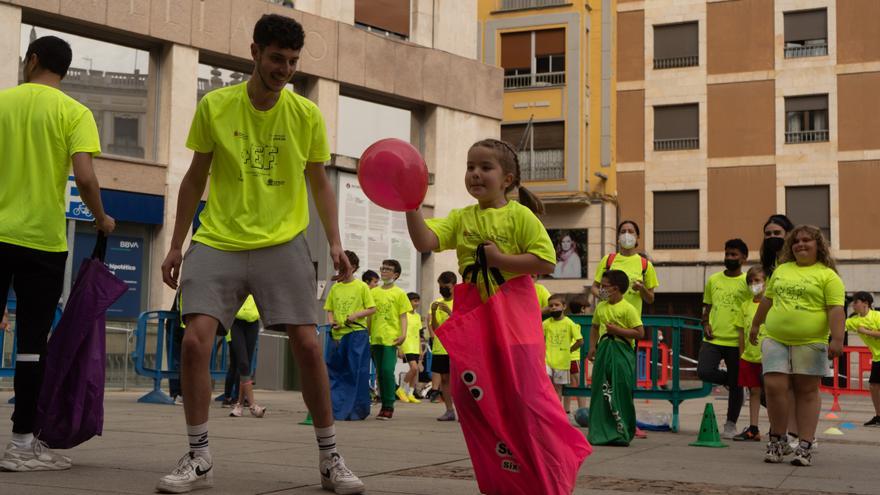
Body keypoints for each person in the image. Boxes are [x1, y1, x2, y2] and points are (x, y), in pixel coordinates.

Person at [156, 14, 363, 494]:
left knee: (310, 346)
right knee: (193, 342)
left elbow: (319, 184)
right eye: (276, 59)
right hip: (218, 238)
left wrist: (334, 240)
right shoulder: (215, 106)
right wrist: (175, 242)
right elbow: (194, 178)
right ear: (254, 52)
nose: (284, 69)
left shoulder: (306, 115)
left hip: (282, 241)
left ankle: (331, 459)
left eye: (292, 62)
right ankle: (199, 455)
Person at [406, 138, 587, 492]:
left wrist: (502, 260)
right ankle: (503, 474)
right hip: (475, 319)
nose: (475, 174)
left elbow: (545, 260)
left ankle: (552, 466)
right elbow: (425, 240)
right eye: (470, 167)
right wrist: (410, 204)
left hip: (514, 320)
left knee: (524, 400)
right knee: (469, 396)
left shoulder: (519, 215)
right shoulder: (462, 217)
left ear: (507, 178)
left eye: (485, 167)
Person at [0, 35, 115, 472]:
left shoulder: (2, 103)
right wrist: (101, 218)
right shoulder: (75, 113)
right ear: (64, 71)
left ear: (32, 61)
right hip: (42, 241)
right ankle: (21, 445)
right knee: (32, 345)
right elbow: (85, 177)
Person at [750, 225, 845, 467]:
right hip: (775, 337)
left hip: (811, 341)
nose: (800, 244)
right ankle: (778, 438)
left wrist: (836, 339)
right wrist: (755, 325)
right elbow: (768, 300)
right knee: (774, 386)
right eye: (796, 241)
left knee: (806, 391)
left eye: (807, 240)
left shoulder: (828, 276)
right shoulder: (782, 270)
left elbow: (835, 309)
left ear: (818, 246)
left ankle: (804, 444)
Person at [698, 238, 751, 439]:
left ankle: (731, 424)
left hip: (737, 340)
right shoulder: (713, 280)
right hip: (714, 338)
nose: (729, 257)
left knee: (737, 384)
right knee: (704, 371)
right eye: (727, 254)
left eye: (734, 254)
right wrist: (705, 323)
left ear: (743, 258)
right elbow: (707, 307)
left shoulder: (748, 282)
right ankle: (734, 382)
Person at [587, 270, 644, 446]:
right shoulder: (601, 307)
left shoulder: (628, 309)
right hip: (604, 349)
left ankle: (622, 431)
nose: (601, 290)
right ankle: (600, 432)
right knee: (600, 389)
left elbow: (639, 333)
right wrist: (592, 347)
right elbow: (595, 328)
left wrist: (617, 331)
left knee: (620, 389)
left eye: (604, 286)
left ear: (616, 288)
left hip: (622, 351)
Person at [324, 250, 376, 421]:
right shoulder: (336, 287)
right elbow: (329, 309)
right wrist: (331, 321)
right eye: (338, 267)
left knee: (355, 372)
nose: (339, 271)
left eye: (343, 267)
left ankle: (355, 410)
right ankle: (336, 409)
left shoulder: (361, 287)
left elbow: (372, 308)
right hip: (337, 335)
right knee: (335, 372)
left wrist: (355, 315)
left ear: (353, 268)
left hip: (356, 334)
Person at [369, 259, 411, 420]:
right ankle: (383, 404)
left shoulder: (399, 293)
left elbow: (403, 316)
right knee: (380, 373)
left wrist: (403, 334)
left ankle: (389, 405)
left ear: (396, 274)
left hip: (391, 338)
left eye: (388, 269)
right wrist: (368, 332)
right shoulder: (374, 292)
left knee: (387, 371)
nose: (384, 271)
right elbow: (370, 315)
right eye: (383, 268)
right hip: (376, 337)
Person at [591, 220, 658, 315]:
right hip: (607, 319)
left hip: (630, 321)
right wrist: (603, 295)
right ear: (618, 238)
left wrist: (642, 288)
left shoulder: (646, 265)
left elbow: (650, 299)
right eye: (623, 232)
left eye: (631, 231)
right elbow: (594, 287)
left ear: (637, 237)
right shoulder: (607, 260)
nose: (626, 235)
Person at [732, 266, 767, 441]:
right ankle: (753, 428)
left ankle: (781, 429)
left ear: (766, 283)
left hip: (768, 357)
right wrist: (741, 355)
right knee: (754, 392)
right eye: (750, 282)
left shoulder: (771, 304)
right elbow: (740, 334)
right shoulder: (744, 306)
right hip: (749, 357)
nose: (754, 284)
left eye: (757, 281)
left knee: (773, 394)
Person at [845, 291, 880, 427]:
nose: (853, 305)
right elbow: (838, 326)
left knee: (875, 385)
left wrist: (866, 331)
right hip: (877, 357)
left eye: (856, 302)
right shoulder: (854, 321)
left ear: (866, 303)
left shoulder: (877, 316)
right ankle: (878, 416)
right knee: (873, 386)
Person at [227, 296, 265, 418]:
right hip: (236, 322)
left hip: (253, 322)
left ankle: (239, 405)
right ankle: (253, 405)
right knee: (242, 363)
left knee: (246, 366)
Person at [543, 294, 583, 403]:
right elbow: (539, 339)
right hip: (546, 361)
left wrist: (569, 350)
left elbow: (580, 341)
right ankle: (549, 411)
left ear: (564, 306)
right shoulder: (545, 324)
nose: (554, 307)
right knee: (546, 385)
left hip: (562, 363)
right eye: (551, 306)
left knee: (557, 389)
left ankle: (557, 414)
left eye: (557, 305)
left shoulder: (569, 323)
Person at [428, 271, 457, 420]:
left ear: (453, 286)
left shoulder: (460, 302)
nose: (442, 289)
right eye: (440, 286)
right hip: (441, 347)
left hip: (456, 348)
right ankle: (449, 409)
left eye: (445, 286)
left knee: (458, 381)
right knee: (445, 379)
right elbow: (437, 328)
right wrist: (433, 312)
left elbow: (462, 325)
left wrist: (451, 314)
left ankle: (464, 411)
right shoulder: (437, 303)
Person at [397, 292, 423, 404]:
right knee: (414, 368)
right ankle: (401, 389)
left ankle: (411, 393)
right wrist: (400, 347)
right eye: (414, 301)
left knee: (415, 370)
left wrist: (420, 349)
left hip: (415, 346)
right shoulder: (403, 315)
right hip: (406, 345)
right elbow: (399, 332)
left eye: (417, 301)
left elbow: (418, 333)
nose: (416, 303)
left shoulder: (417, 316)